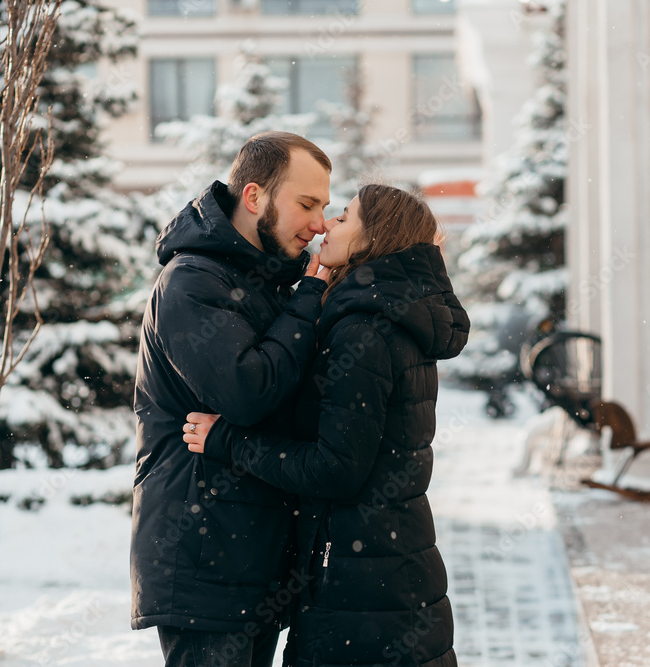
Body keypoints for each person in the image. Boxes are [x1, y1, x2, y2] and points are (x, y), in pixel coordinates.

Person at [183, 184, 470, 667]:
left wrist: (227, 441)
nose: (326, 225)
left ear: (372, 238)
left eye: (344, 217)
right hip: (386, 572)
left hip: (360, 593)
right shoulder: (392, 314)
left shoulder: (364, 329)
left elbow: (335, 468)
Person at [130, 132, 333, 667]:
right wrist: (310, 298)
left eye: (324, 208)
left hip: (249, 557)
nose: (317, 223)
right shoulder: (192, 282)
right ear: (254, 197)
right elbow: (249, 393)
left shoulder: (262, 283)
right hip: (203, 560)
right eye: (306, 203)